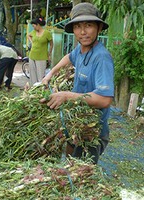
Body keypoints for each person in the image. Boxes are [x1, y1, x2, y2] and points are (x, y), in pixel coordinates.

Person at [41, 2, 114, 164]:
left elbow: (105, 99)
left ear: (99, 28)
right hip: (76, 123)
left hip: (91, 130)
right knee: (69, 160)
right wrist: (50, 74)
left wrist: (67, 96)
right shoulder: (81, 50)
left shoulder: (101, 57)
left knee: (80, 175)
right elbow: (69, 57)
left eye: (88, 25)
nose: (82, 32)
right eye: (77, 27)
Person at [28, 17, 53, 86]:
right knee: (32, 75)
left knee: (41, 76)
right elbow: (29, 35)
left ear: (38, 24)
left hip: (42, 57)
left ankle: (40, 90)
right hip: (32, 55)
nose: (33, 27)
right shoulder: (33, 32)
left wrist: (49, 54)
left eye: (34, 26)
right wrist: (32, 42)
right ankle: (32, 88)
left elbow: (51, 44)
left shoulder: (47, 33)